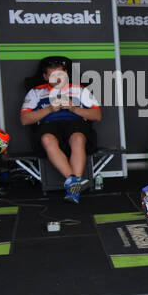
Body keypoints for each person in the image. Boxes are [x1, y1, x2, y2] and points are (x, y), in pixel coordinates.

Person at [20, 55, 101, 203]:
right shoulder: (36, 92)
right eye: (52, 75)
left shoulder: (79, 89)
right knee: (46, 138)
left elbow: (97, 115)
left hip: (75, 123)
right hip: (49, 125)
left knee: (77, 138)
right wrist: (50, 109)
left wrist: (73, 108)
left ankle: (73, 188)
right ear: (45, 77)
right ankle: (74, 184)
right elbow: (25, 120)